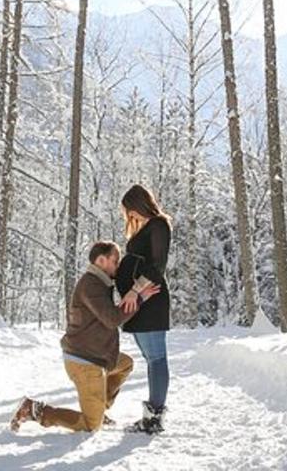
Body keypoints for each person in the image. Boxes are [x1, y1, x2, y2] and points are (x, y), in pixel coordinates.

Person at [10, 240, 159, 433]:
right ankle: (34, 410)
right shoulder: (91, 285)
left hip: (98, 355)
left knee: (125, 364)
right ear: (101, 260)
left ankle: (98, 406)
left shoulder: (100, 283)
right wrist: (138, 297)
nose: (118, 264)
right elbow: (112, 318)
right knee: (91, 425)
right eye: (115, 260)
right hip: (85, 361)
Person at [115, 184, 172, 435]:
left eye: (130, 212)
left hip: (151, 299)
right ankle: (151, 417)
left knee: (157, 358)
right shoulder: (146, 229)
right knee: (151, 359)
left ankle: (154, 418)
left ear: (139, 205)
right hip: (141, 302)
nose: (130, 218)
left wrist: (135, 290)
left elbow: (157, 265)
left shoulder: (159, 225)